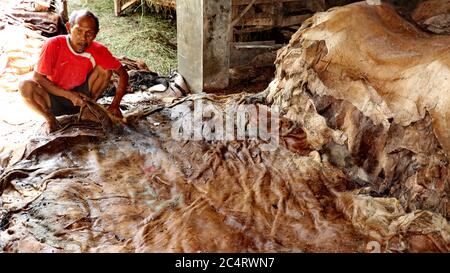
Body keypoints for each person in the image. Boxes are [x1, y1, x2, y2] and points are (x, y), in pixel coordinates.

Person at [19, 10, 129, 133]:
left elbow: (123, 73)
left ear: (96, 34)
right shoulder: (53, 44)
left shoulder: (99, 50)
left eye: (89, 33)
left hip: (83, 99)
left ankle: (88, 110)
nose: (83, 38)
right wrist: (69, 95)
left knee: (105, 69)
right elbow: (38, 78)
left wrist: (115, 104)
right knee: (25, 85)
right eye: (79, 31)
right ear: (68, 28)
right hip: (52, 98)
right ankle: (50, 119)